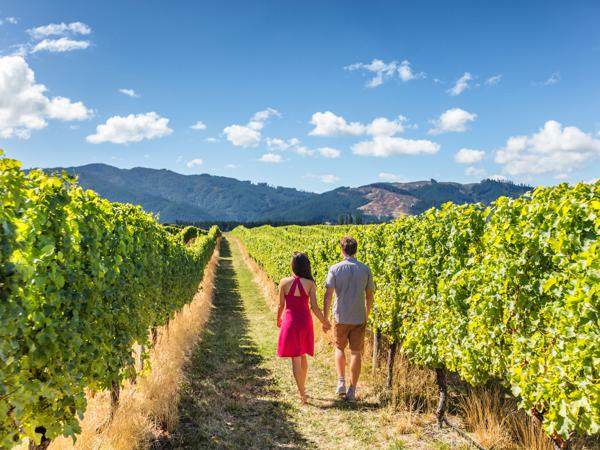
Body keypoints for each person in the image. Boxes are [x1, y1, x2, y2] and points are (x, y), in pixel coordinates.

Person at [323, 236, 374, 402]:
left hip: (340, 315)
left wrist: (325, 316)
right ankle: (352, 390)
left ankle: (341, 382)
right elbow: (369, 296)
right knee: (356, 353)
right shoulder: (365, 269)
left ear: (342, 250)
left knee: (339, 348)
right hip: (359, 316)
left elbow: (328, 294)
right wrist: (366, 314)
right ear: (356, 250)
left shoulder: (335, 269)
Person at [277, 252, 330, 404]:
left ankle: (302, 393)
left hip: (290, 321)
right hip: (305, 322)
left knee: (295, 357)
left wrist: (278, 319)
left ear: (293, 265)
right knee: (303, 354)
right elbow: (315, 307)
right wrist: (324, 321)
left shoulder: (284, 282)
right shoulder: (310, 284)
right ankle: (303, 386)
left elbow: (281, 305)